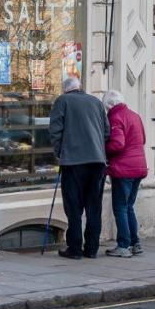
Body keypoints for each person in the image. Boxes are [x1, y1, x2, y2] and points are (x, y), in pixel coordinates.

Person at [49, 76, 110, 259]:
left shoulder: (62, 101)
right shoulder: (96, 102)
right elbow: (107, 132)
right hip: (97, 162)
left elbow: (55, 130)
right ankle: (92, 249)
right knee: (93, 207)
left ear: (64, 89)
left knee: (73, 207)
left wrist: (61, 152)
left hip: (73, 162)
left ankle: (75, 249)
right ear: (80, 87)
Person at [102, 90, 147, 258]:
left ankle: (123, 245)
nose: (106, 111)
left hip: (123, 169)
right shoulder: (134, 115)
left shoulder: (115, 117)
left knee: (120, 207)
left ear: (110, 105)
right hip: (139, 167)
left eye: (106, 107)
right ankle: (135, 243)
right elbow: (142, 139)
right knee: (129, 207)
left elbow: (118, 144)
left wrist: (102, 150)